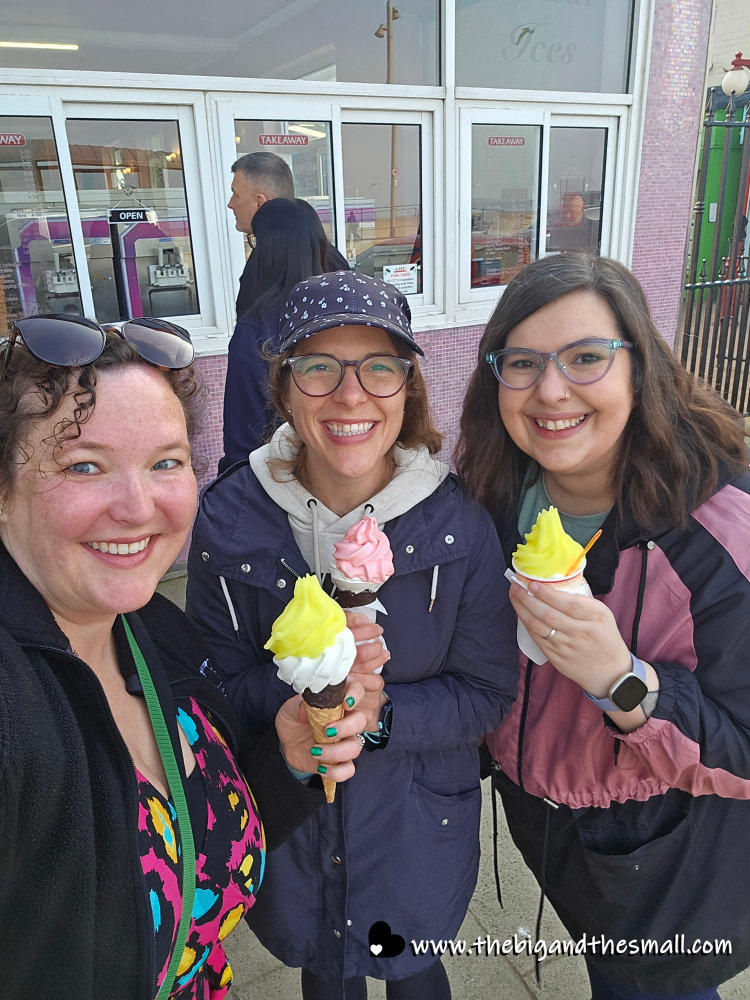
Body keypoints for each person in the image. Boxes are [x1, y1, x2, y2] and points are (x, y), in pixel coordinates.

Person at [0, 313, 368, 1000]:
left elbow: (197, 849)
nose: (137, 507)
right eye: (84, 465)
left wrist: (287, 762)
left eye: (165, 462)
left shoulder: (151, 628)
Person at [185, 273, 519, 1000]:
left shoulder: (458, 524)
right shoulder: (228, 518)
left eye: (379, 367)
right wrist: (305, 699)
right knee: (325, 971)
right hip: (294, 833)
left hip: (416, 827)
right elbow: (210, 689)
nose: (350, 394)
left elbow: (487, 693)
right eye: (318, 367)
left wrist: (380, 717)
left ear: (407, 388)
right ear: (283, 387)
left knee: (414, 970)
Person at [456, 252, 750, 999]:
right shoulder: (491, 499)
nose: (551, 390)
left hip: (664, 849)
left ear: (639, 367)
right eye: (522, 362)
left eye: (586, 356)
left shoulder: (724, 534)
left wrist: (624, 682)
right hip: (546, 827)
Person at [219, 198, 349, 472]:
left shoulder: (256, 329)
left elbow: (242, 439)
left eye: (254, 240)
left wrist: (233, 487)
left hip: (281, 476)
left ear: (268, 248)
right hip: (350, 469)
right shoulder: (348, 313)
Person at [227, 152, 347, 320]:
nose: (230, 204)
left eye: (236, 195)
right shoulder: (330, 256)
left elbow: (250, 331)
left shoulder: (265, 262)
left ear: (259, 202)